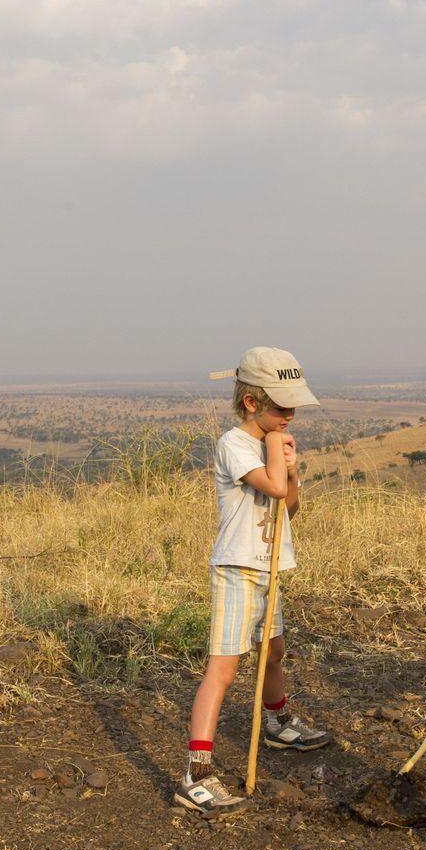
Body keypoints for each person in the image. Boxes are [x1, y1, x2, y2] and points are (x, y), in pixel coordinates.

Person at [176, 347, 331, 816]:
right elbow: (272, 487)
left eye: (293, 406)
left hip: (269, 568)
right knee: (223, 668)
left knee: (273, 652)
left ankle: (278, 722)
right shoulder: (235, 444)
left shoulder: (272, 444)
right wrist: (277, 457)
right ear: (250, 403)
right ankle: (195, 775)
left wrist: (294, 468)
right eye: (281, 407)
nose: (290, 415)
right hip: (238, 569)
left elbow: (289, 506)